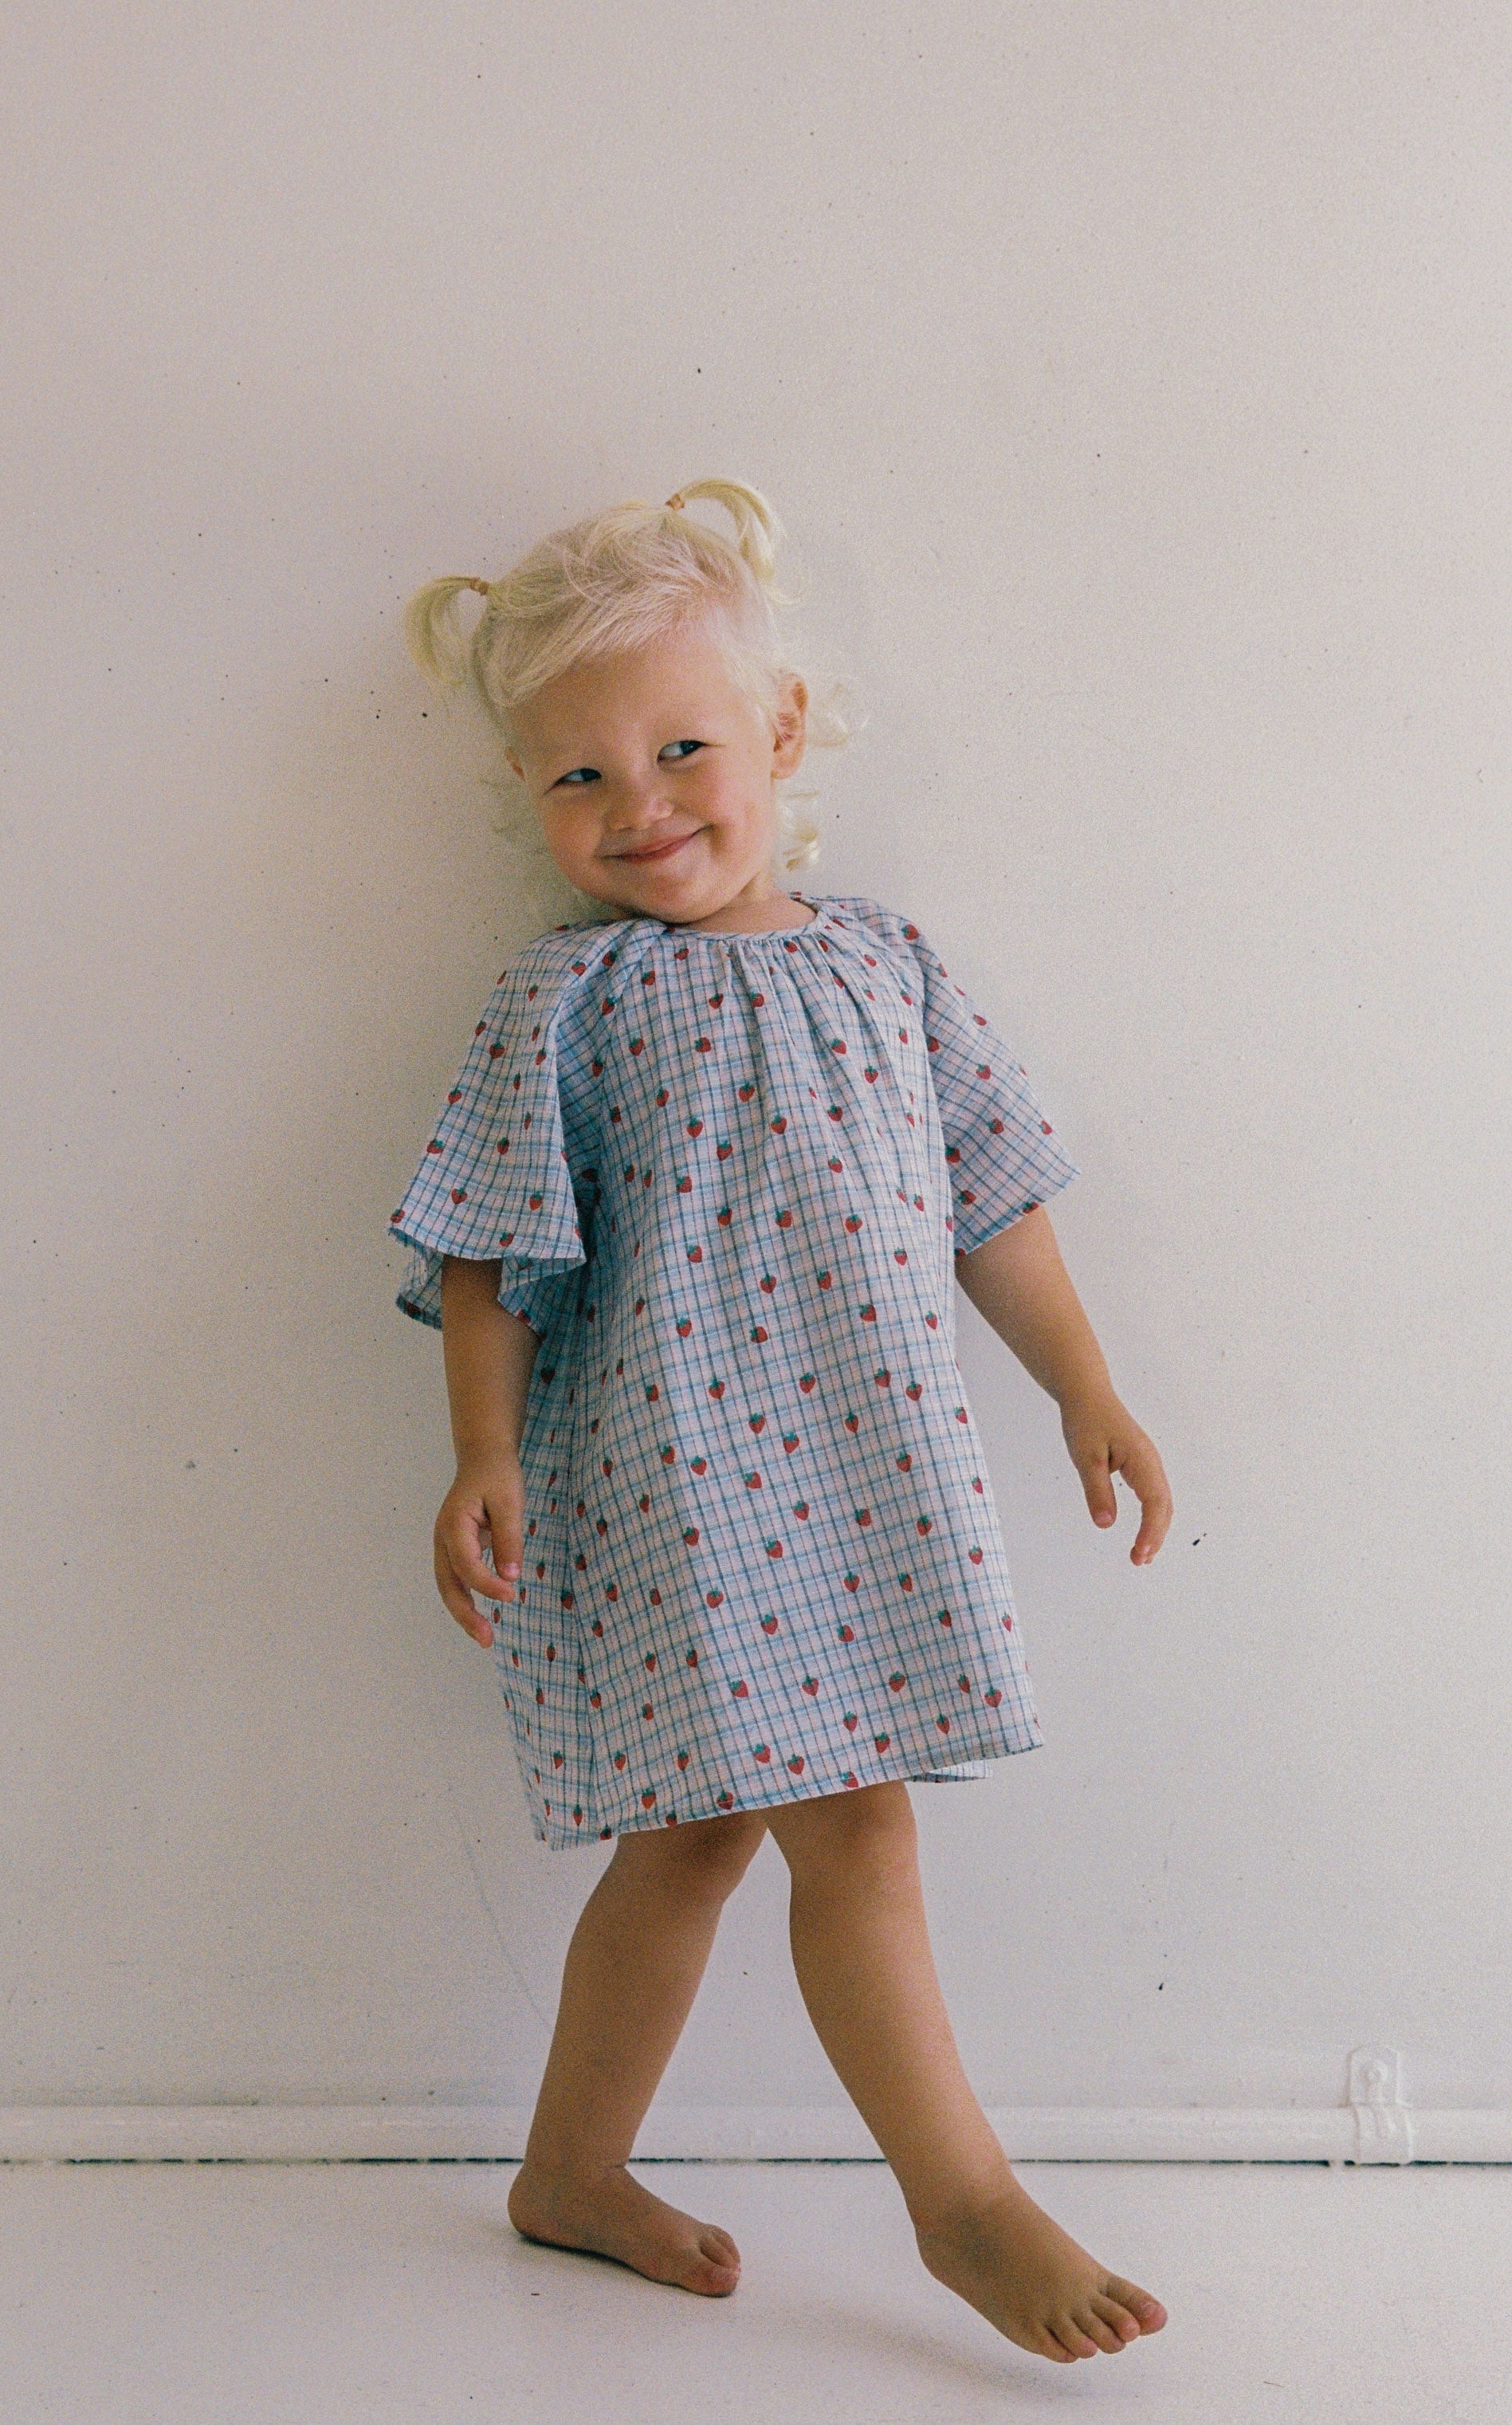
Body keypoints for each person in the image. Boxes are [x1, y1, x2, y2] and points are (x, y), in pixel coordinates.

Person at [387, 480, 1172, 2364]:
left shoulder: (885, 967)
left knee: (694, 1843)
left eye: (677, 749)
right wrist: (479, 1453)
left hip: (859, 1476)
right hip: (668, 1486)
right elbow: (491, 1250)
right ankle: (962, 2202)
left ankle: (569, 2171)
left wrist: (1088, 1391)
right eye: (577, 777)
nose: (637, 804)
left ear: (779, 737)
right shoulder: (565, 1001)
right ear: (524, 790)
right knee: (854, 1828)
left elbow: (997, 1201)